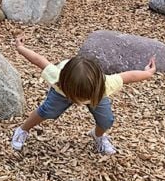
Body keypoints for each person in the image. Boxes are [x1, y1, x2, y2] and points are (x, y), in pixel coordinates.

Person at [11, 35, 157, 155]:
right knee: (47, 111)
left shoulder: (104, 85)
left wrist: (147, 73)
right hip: (63, 93)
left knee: (106, 120)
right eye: (78, 98)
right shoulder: (58, 78)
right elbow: (39, 60)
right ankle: (22, 129)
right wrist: (20, 48)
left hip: (95, 95)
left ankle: (98, 135)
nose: (80, 101)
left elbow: (128, 76)